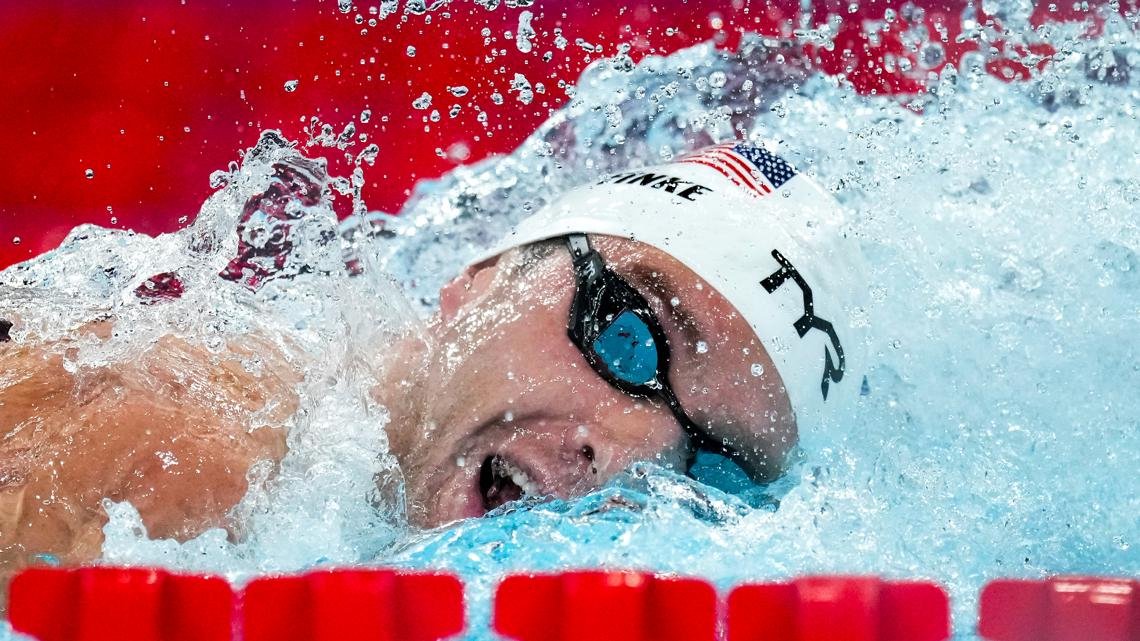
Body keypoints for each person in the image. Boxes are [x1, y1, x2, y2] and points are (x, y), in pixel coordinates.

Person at [0, 141, 866, 598]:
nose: (634, 457)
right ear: (482, 274)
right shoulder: (176, 463)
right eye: (629, 335)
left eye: (708, 462)